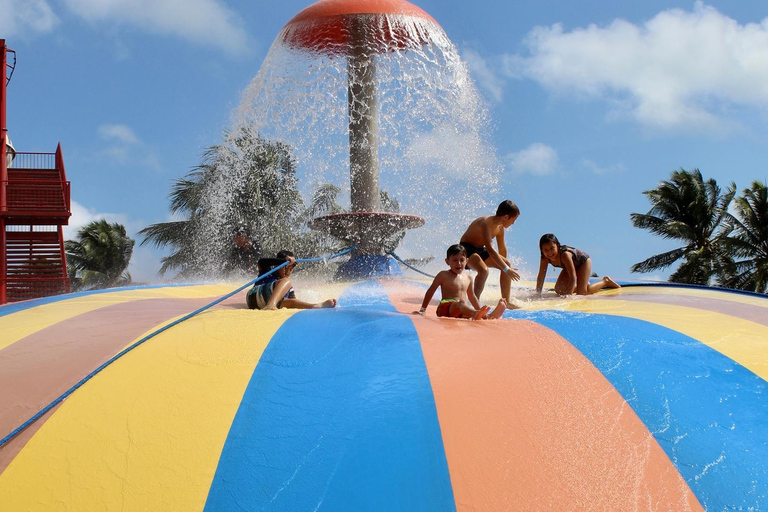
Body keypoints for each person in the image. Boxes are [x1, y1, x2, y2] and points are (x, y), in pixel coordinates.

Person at [418, 244, 507, 320]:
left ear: (467, 261)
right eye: (455, 260)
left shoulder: (468, 277)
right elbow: (431, 291)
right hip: (446, 308)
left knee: (464, 308)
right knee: (461, 304)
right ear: (447, 261)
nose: (459, 263)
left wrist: (479, 309)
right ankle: (480, 315)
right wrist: (423, 309)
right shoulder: (443, 275)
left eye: (462, 260)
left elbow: (472, 297)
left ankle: (487, 316)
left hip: (461, 310)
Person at [459, 200, 521, 301]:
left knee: (507, 264)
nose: (513, 223)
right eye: (513, 220)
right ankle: (474, 302)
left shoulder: (500, 228)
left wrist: (505, 267)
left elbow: (502, 249)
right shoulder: (486, 223)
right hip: (466, 250)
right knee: (484, 271)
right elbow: (490, 249)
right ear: (506, 217)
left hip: (480, 249)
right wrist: (505, 269)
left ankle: (506, 301)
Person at [246, 250, 337, 310]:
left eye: (291, 268)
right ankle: (271, 305)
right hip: (254, 296)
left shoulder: (286, 287)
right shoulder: (268, 271)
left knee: (291, 301)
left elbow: (293, 302)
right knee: (286, 281)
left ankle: (315, 306)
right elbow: (261, 262)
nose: (287, 271)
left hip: (260, 305)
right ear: (277, 265)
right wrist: (282, 261)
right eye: (285, 267)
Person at [535, 234, 621, 297]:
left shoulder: (564, 255)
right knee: (559, 290)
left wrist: (569, 295)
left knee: (582, 293)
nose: (549, 252)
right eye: (545, 250)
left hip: (583, 262)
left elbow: (572, 276)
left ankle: (605, 281)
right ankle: (582, 284)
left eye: (552, 248)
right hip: (569, 266)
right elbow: (541, 276)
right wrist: (538, 294)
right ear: (542, 250)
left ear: (557, 245)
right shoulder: (544, 258)